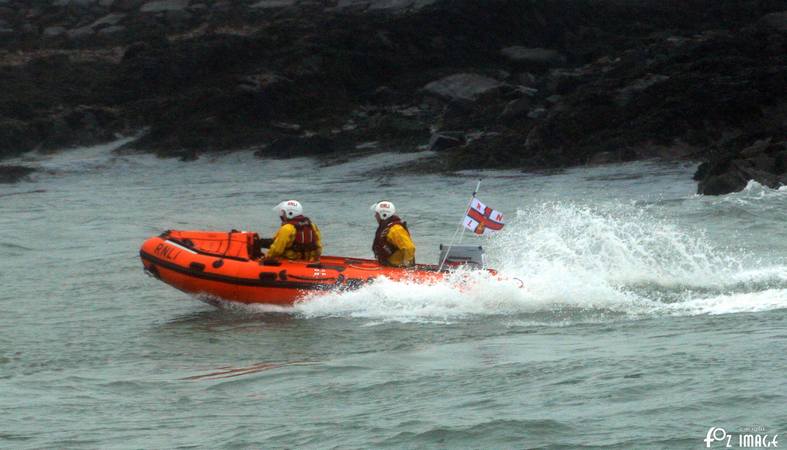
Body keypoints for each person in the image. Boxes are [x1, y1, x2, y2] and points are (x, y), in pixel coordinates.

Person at [370, 201, 415, 267]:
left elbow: (409, 248)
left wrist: (406, 267)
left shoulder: (395, 229)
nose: (375, 216)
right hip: (388, 265)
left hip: (396, 267)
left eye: (377, 214)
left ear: (384, 214)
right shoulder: (387, 227)